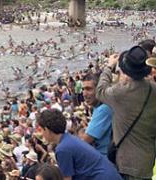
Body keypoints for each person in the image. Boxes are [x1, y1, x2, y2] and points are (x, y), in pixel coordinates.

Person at [96, 46, 156, 179]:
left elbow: (100, 91)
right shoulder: (153, 90)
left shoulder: (120, 93)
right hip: (147, 162)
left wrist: (108, 66)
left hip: (126, 163)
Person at [37, 109, 122, 180]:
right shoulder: (69, 139)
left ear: (47, 130)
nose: (41, 134)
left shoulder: (62, 149)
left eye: (41, 130)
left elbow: (67, 178)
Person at [81, 73, 112, 155]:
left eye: (88, 89)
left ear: (99, 89)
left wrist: (81, 132)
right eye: (83, 89)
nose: (84, 94)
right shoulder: (98, 107)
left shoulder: (104, 109)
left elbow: (84, 141)